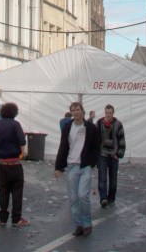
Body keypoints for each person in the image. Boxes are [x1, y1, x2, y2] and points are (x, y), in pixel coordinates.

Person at [55, 101, 101, 237]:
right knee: (73, 198)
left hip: (85, 165)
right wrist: (58, 167)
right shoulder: (67, 127)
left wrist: (92, 162)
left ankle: (87, 223)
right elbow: (63, 146)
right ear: (71, 113)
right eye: (73, 110)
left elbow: (97, 145)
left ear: (83, 111)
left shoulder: (90, 128)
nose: (76, 112)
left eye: (78, 109)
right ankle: (78, 225)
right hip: (71, 165)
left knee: (83, 195)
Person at [0, 102, 29, 227]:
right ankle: (16, 219)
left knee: (4, 190)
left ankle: (2, 218)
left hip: (2, 163)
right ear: (14, 113)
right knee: (17, 191)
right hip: (15, 163)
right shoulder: (15, 124)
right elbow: (22, 140)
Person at [96, 104, 126, 208]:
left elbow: (122, 139)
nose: (108, 115)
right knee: (102, 178)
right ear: (104, 113)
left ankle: (111, 198)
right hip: (102, 155)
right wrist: (95, 154)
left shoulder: (118, 124)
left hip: (114, 156)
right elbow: (95, 139)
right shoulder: (99, 123)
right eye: (106, 113)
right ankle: (103, 198)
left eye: (110, 113)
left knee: (113, 179)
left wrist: (119, 154)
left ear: (113, 113)